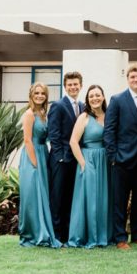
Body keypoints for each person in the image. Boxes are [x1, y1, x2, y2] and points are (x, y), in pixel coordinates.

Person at [103, 64, 137, 249]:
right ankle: (119, 237)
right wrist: (113, 156)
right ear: (128, 79)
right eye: (132, 77)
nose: (136, 80)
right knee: (120, 200)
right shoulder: (117, 100)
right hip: (122, 159)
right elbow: (109, 130)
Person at [18, 82, 61, 248]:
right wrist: (35, 164)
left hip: (43, 153)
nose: (39, 96)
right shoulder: (29, 114)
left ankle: (42, 230)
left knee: (42, 195)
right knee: (33, 196)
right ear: (31, 95)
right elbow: (27, 140)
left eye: (42, 93)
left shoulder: (43, 113)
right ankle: (32, 233)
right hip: (32, 156)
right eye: (36, 93)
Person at [67, 85, 110, 248]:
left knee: (103, 198)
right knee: (89, 198)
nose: (95, 98)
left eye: (98, 95)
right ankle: (86, 235)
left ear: (103, 97)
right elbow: (73, 141)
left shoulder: (108, 116)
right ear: (87, 99)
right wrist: (83, 163)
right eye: (91, 96)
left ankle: (103, 234)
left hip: (105, 160)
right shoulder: (84, 117)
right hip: (89, 159)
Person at [47, 71, 84, 243]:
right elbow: (53, 134)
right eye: (70, 84)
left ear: (80, 85)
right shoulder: (58, 105)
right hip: (60, 161)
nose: (73, 87)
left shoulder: (84, 107)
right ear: (65, 87)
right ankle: (56, 235)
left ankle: (69, 234)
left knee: (71, 198)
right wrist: (60, 157)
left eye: (76, 84)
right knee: (58, 198)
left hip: (76, 161)